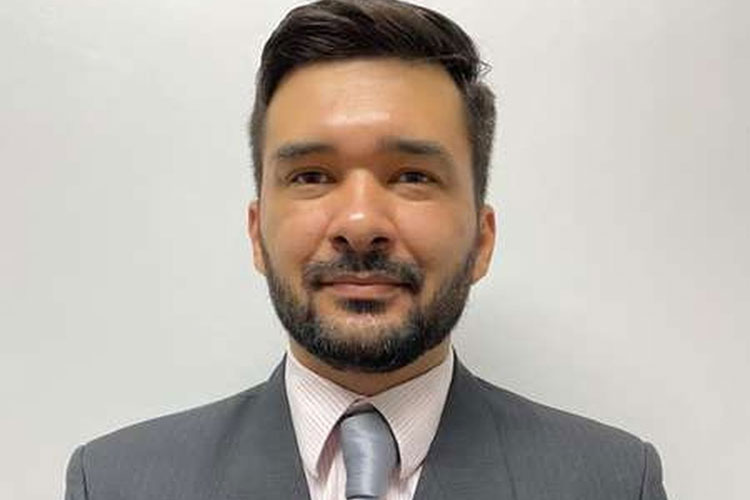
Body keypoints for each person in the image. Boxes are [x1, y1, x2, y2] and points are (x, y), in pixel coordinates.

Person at [65, 1, 668, 499]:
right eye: (311, 176)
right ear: (256, 233)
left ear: (482, 239)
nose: (359, 223)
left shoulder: (612, 482)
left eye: (412, 176)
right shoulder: (117, 483)